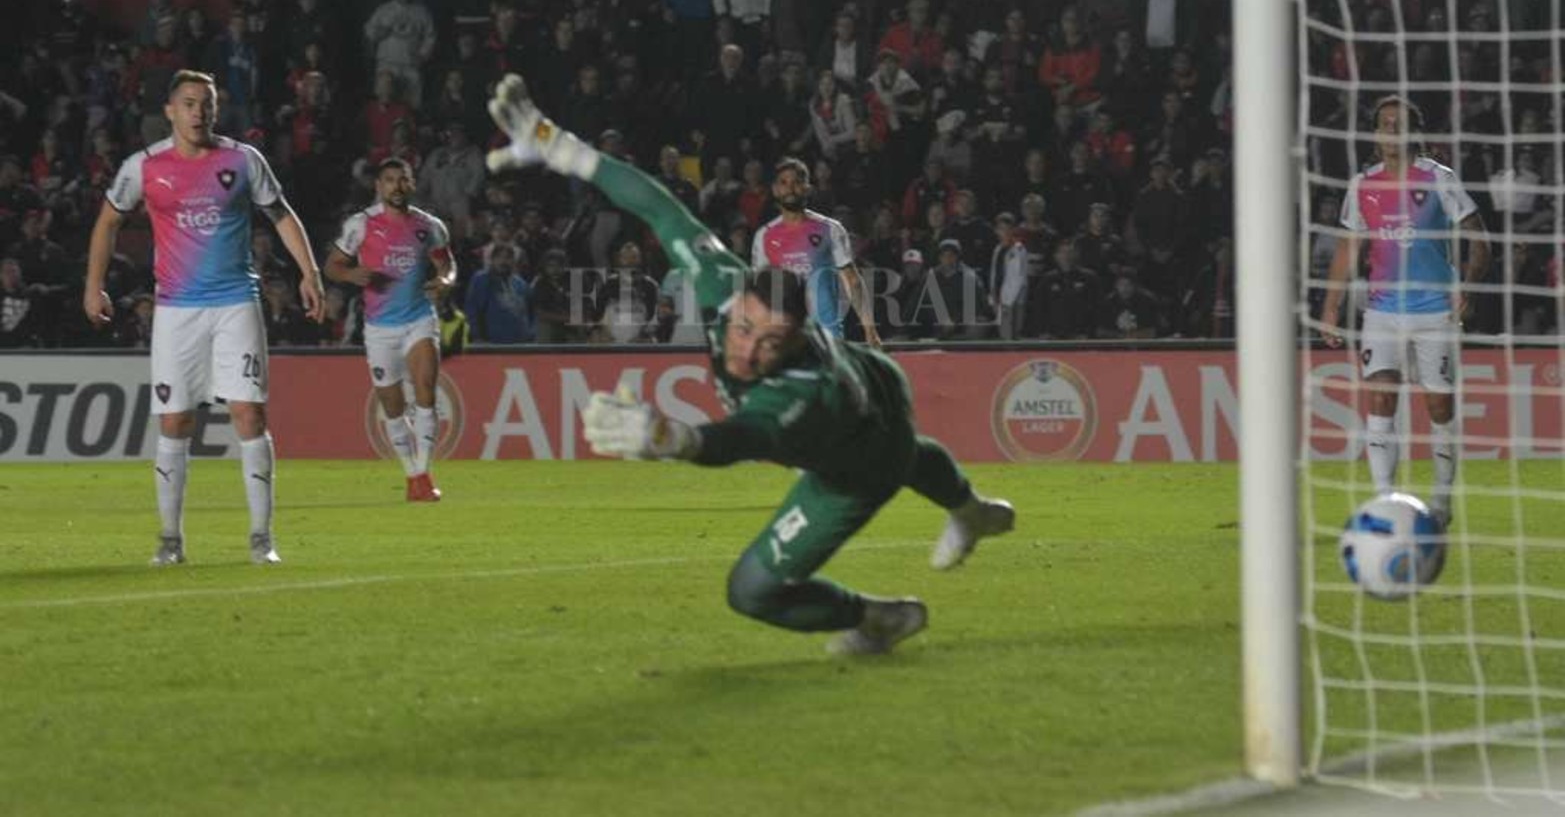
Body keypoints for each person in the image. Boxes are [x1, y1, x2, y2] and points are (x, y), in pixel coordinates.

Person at [486, 74, 1013, 656]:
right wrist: (560, 147)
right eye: (744, 328)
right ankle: (969, 514)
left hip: (858, 456)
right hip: (874, 382)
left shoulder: (801, 390)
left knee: (753, 588)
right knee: (908, 449)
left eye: (771, 343)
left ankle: (876, 618)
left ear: (795, 342)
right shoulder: (727, 283)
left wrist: (674, 438)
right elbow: (659, 208)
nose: (748, 350)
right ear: (735, 302)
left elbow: (740, 437)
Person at [83, 70, 325, 566]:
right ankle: (170, 540)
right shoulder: (144, 167)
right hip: (176, 310)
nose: (199, 112)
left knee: (249, 414)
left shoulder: (242, 159)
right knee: (175, 421)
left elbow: (281, 215)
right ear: (170, 110)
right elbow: (108, 220)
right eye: (189, 104)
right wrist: (93, 284)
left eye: (206, 104)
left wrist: (310, 273)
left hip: (236, 302)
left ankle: (262, 538)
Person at [1321, 96, 1490, 529]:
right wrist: (1331, 306)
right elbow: (1348, 247)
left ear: (1414, 131)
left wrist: (1467, 287)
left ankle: (1441, 499)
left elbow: (1479, 236)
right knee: (1380, 397)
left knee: (1438, 406)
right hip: (1382, 311)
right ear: (1376, 134)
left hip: (1435, 311)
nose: (1391, 129)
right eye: (1384, 123)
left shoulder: (1439, 179)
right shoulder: (1363, 185)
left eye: (1398, 123)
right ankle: (1383, 502)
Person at [325, 158, 456, 503]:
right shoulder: (361, 225)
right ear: (379, 186)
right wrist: (352, 275)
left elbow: (447, 262)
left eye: (403, 180)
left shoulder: (429, 226)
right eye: (389, 180)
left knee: (426, 390)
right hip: (380, 328)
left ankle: (425, 476)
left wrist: (445, 280)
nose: (396, 186)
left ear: (412, 185)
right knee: (394, 408)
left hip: (419, 320)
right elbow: (333, 265)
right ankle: (411, 473)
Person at [751, 158, 880, 345]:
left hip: (828, 338)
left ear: (807, 188)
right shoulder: (764, 235)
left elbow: (852, 280)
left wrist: (870, 328)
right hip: (783, 339)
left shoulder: (831, 229)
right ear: (775, 190)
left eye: (797, 182)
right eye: (784, 183)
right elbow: (760, 291)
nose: (790, 188)